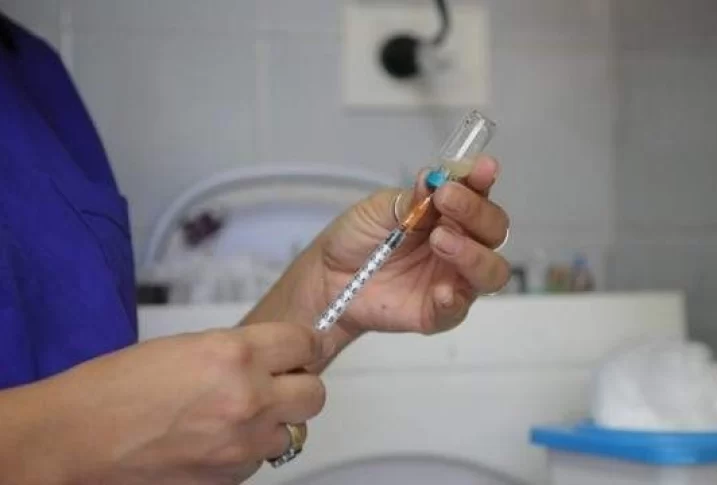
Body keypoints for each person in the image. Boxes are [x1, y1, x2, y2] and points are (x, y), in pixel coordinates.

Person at [0, 12, 510, 485]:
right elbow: (118, 431)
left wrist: (325, 290)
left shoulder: (32, 76)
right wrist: (74, 437)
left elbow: (153, 433)